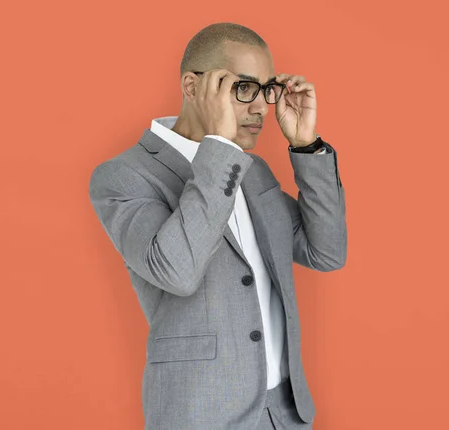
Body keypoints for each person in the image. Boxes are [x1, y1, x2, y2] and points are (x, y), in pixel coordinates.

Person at [88, 22, 346, 430]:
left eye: (266, 89)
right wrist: (221, 148)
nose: (261, 107)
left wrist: (306, 146)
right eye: (243, 88)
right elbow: (177, 271)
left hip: (284, 413)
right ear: (192, 86)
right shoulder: (123, 177)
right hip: (202, 414)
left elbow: (326, 252)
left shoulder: (253, 171)